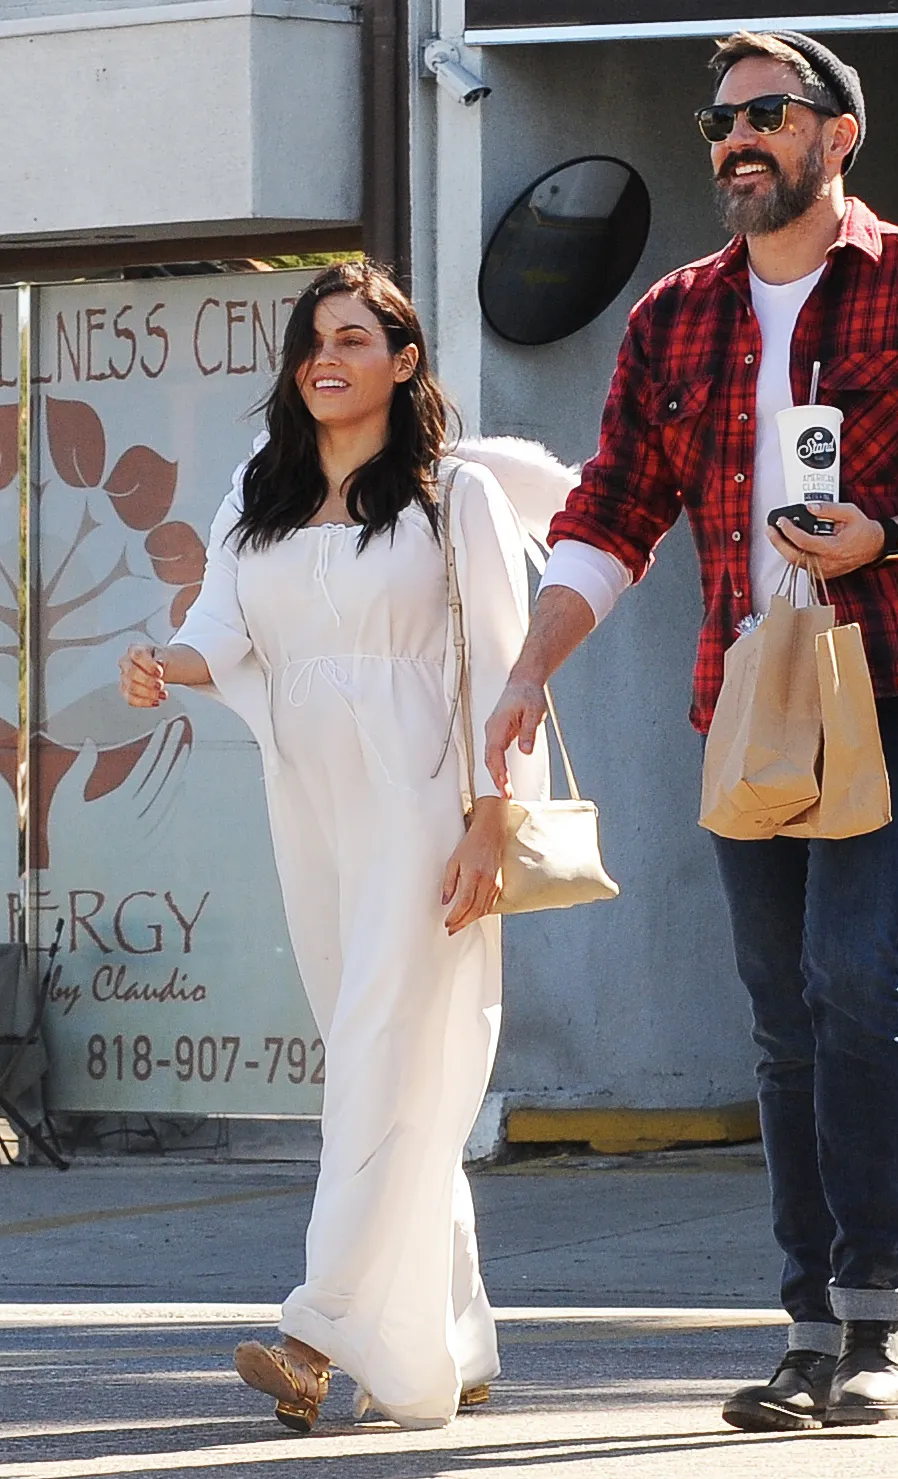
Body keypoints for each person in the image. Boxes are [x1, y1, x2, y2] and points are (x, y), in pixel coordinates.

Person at [485, 30, 898, 1431]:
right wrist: (527, 670)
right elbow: (612, 511)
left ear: (835, 136)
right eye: (719, 122)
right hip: (752, 695)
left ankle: (876, 1324)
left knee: (856, 966)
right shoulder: (675, 317)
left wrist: (891, 533)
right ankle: (808, 1331)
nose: (734, 139)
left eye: (765, 115)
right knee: (785, 1010)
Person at [119, 262, 574, 1432]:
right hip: (310, 804)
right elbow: (221, 629)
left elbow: (501, 666)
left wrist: (491, 820)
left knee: (379, 1056)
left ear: (404, 361)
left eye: (354, 338)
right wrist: (164, 666)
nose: (327, 359)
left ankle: (312, 1332)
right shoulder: (256, 488)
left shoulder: (453, 495)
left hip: (428, 809)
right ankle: (450, 1340)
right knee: (386, 1064)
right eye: (313, 340)